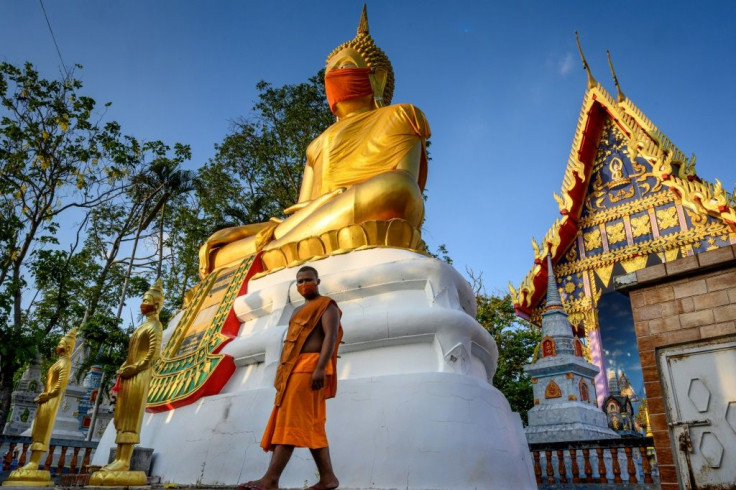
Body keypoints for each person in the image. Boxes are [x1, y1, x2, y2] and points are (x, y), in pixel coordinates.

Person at [198, 5, 430, 277]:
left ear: (377, 77)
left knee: (397, 187)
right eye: (329, 72)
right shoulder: (318, 143)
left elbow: (405, 184)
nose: (333, 77)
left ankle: (272, 250)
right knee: (217, 252)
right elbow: (303, 207)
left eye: (344, 67)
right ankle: (276, 245)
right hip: (311, 222)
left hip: (369, 206)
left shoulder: (401, 115)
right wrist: (266, 229)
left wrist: (338, 196)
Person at [241, 266, 343, 490]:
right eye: (299, 281)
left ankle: (271, 479)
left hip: (310, 369)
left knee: (290, 423)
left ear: (318, 280)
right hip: (292, 371)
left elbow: (331, 337)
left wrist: (320, 368)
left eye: (308, 280)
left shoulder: (327, 306)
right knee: (312, 425)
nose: (304, 284)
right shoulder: (297, 312)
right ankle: (328, 478)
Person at [89, 279, 164, 486]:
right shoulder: (143, 327)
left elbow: (152, 355)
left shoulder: (156, 326)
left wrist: (135, 368)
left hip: (139, 376)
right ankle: (119, 459)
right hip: (129, 375)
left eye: (147, 300)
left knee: (131, 417)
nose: (143, 303)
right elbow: (133, 354)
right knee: (121, 417)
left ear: (157, 305)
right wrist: (124, 366)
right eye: (142, 299)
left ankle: (124, 461)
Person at [3, 329, 75, 485]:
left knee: (43, 430)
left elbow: (59, 387)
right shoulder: (58, 362)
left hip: (50, 400)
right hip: (44, 399)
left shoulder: (66, 363)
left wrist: (47, 395)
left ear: (69, 348)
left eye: (62, 344)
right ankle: (32, 461)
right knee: (38, 431)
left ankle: (35, 462)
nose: (59, 346)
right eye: (59, 343)